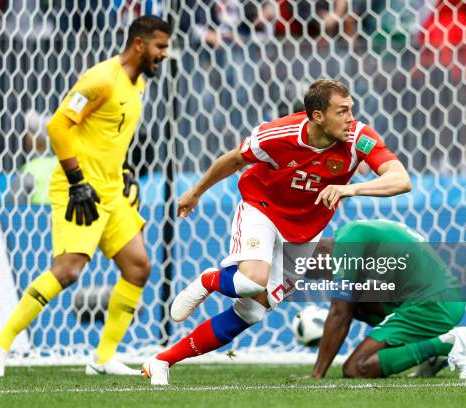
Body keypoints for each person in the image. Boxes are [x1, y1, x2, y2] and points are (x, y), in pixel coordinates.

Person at [142, 79, 412, 385]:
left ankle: (161, 361)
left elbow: (401, 179)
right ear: (317, 116)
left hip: (303, 232)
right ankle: (211, 279)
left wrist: (350, 188)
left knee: (252, 313)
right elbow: (233, 159)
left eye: (351, 109)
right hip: (263, 208)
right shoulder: (277, 134)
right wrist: (195, 192)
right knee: (249, 280)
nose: (351, 118)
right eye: (342, 111)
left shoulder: (358, 138)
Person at [0, 15, 170, 377]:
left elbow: (111, 136)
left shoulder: (138, 84)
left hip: (113, 188)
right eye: (161, 46)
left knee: (138, 267)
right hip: (79, 187)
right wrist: (77, 180)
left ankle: (102, 358)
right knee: (68, 270)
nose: (165, 53)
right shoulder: (101, 79)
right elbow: (58, 125)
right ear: (140, 44)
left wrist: (125, 171)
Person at [310, 220, 466, 380]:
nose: (325, 278)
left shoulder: (346, 245)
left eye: (319, 272)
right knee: (356, 301)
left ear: (321, 250)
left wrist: (317, 374)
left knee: (356, 368)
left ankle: (445, 343)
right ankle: (430, 352)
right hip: (441, 298)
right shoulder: (352, 233)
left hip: (432, 304)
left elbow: (339, 313)